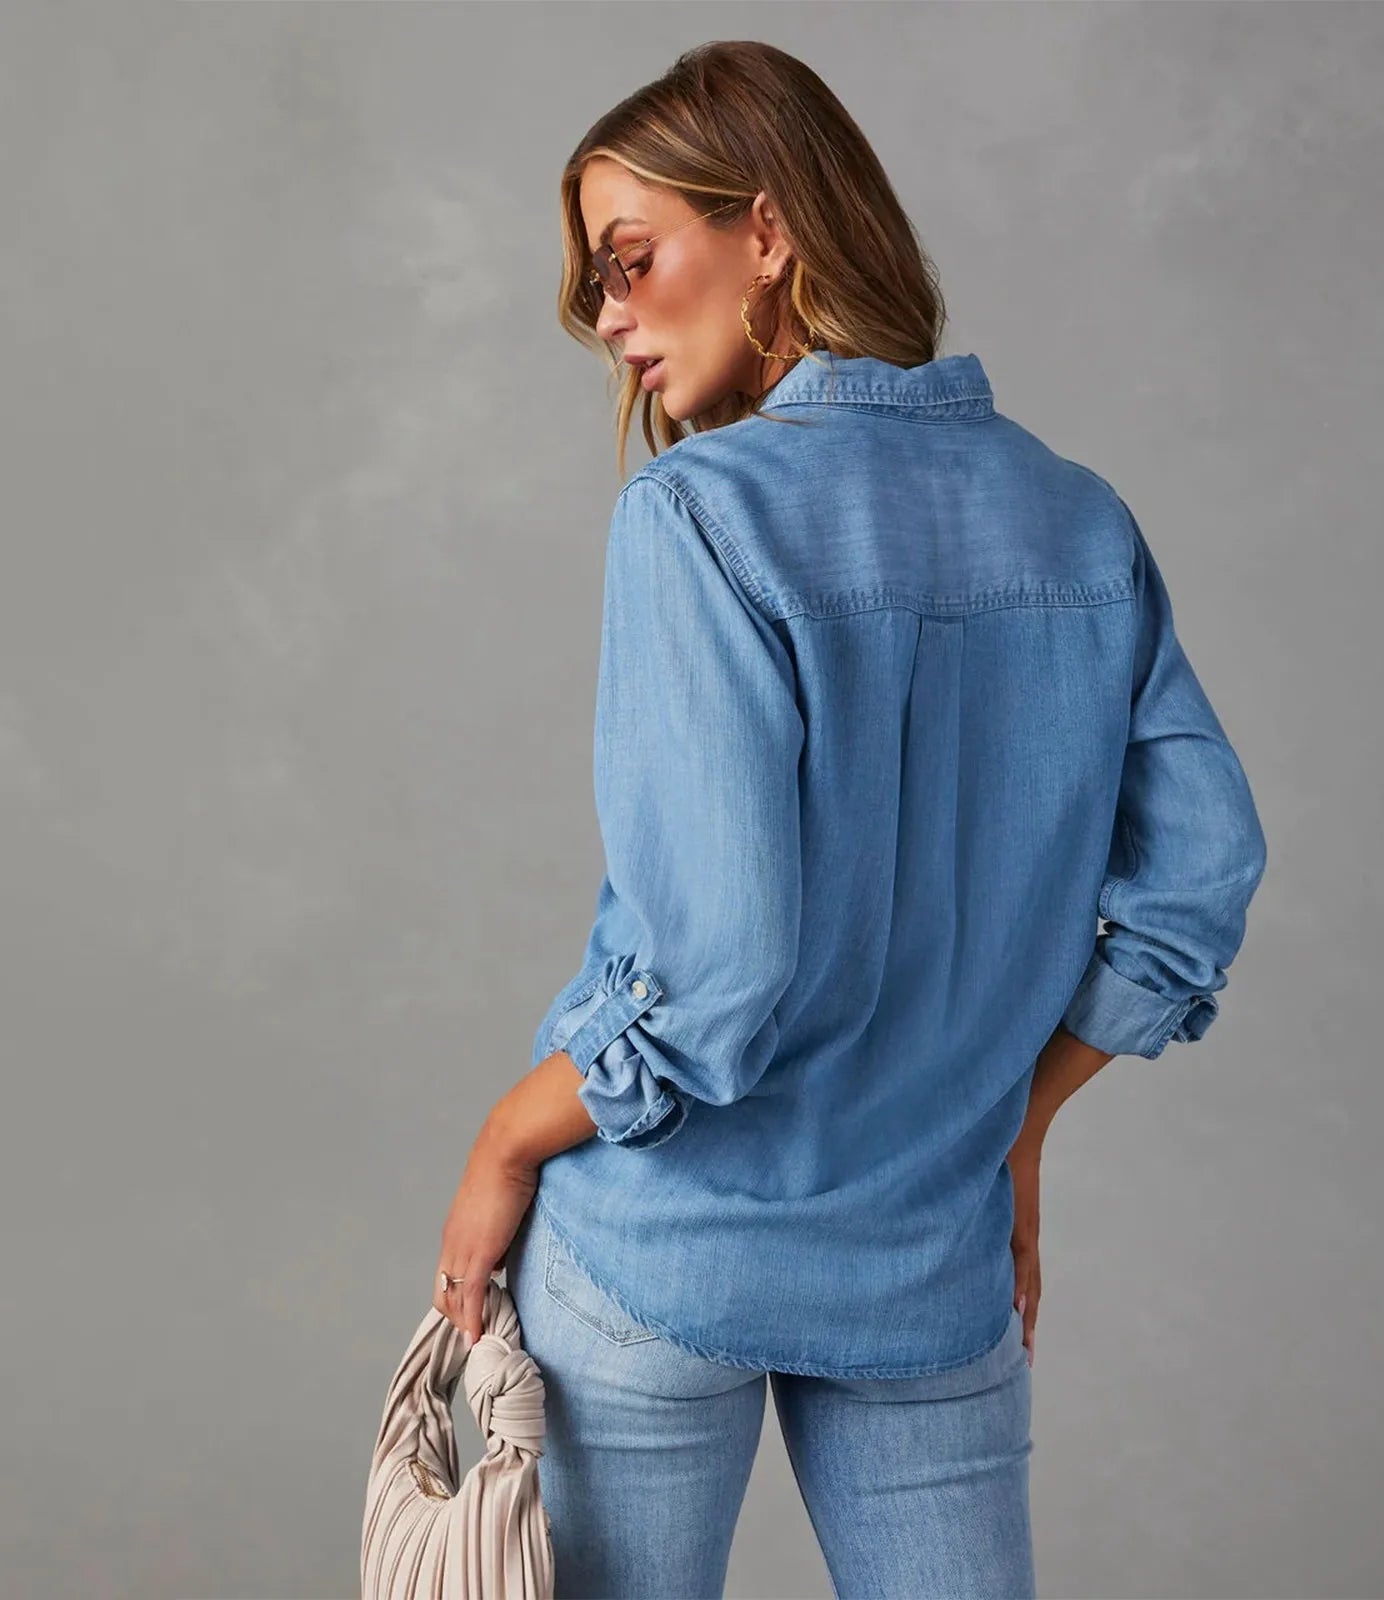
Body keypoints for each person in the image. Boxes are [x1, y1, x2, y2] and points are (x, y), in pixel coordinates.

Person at [432, 40, 1268, 1600]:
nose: (608, 315)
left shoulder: (697, 514)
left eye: (630, 260)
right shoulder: (1081, 521)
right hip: (927, 1255)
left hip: (663, 1253)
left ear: (767, 230)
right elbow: (1197, 882)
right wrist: (1014, 1122)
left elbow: (722, 973)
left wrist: (505, 1137)